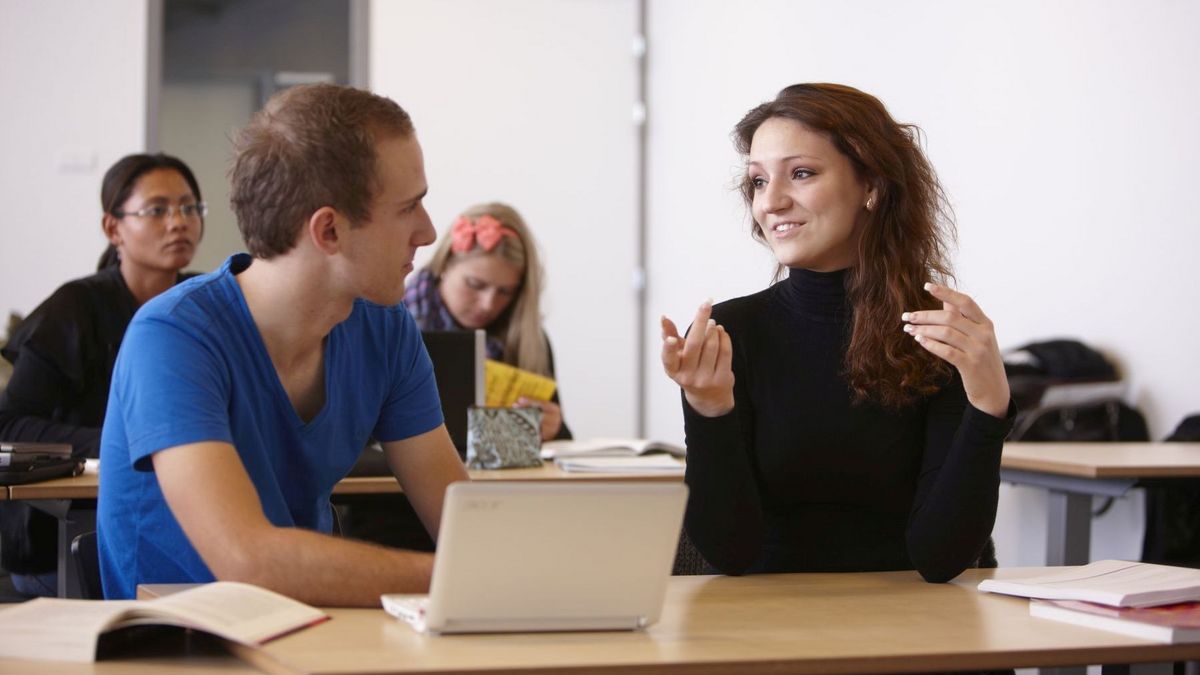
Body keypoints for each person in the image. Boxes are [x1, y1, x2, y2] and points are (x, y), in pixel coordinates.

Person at [96, 84, 470, 604]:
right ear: (330, 231)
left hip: (312, 630)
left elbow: (463, 522)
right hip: (183, 648)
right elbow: (248, 562)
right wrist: (463, 577)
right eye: (409, 209)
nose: (429, 233)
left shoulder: (386, 329)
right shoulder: (173, 336)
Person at [661, 83, 1014, 583]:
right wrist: (709, 409)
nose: (772, 202)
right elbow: (729, 552)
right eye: (759, 182)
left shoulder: (938, 333)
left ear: (871, 185)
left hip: (914, 632)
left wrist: (990, 405)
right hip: (763, 634)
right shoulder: (730, 332)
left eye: (800, 174)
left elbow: (940, 559)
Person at [0, 153, 205, 597]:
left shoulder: (204, 302)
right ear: (113, 228)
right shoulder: (73, 309)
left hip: (179, 525)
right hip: (61, 535)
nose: (178, 222)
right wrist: (122, 445)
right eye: (158, 210)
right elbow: (9, 424)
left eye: (190, 208)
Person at [404, 202, 571, 441]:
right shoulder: (391, 326)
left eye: (505, 291)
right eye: (475, 285)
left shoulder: (529, 341)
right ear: (444, 265)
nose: (488, 304)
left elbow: (563, 447)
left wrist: (555, 429)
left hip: (500, 479)